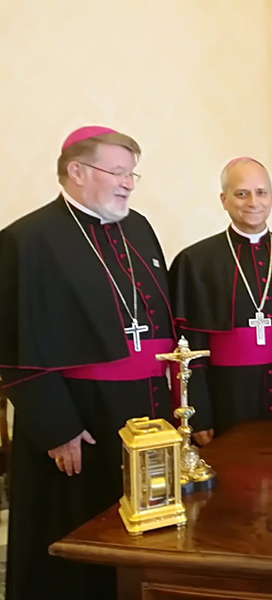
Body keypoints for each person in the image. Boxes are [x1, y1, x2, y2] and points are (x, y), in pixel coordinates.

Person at [0, 126, 176, 600]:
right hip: (81, 421)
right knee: (80, 537)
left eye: (131, 173)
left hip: (146, 414)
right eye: (117, 172)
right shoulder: (27, 240)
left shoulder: (138, 227)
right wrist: (56, 427)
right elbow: (14, 346)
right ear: (76, 171)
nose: (129, 184)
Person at [169, 158, 272, 441]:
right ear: (224, 199)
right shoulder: (196, 261)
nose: (253, 202)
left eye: (261, 192)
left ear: (271, 197)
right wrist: (198, 413)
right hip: (227, 394)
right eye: (241, 193)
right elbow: (189, 349)